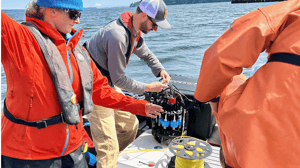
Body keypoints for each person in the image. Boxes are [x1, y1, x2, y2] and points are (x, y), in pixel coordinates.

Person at [1, 0, 163, 167]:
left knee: (129, 126)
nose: (77, 21)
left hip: (73, 150)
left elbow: (101, 92)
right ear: (51, 11)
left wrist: (141, 106)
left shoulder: (78, 52)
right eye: (74, 14)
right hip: (28, 156)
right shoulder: (19, 39)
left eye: (80, 15)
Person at [194, 0, 300, 167]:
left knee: (234, 82)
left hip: (255, 147)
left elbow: (221, 56)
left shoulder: (294, 9)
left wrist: (208, 98)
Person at [83, 0, 171, 167]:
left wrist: (160, 70)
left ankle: (112, 161)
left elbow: (146, 54)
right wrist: (148, 87)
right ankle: (107, 158)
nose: (155, 29)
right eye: (154, 24)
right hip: (94, 86)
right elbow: (120, 80)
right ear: (144, 15)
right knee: (108, 147)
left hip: (107, 82)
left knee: (130, 125)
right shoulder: (118, 35)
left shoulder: (134, 30)